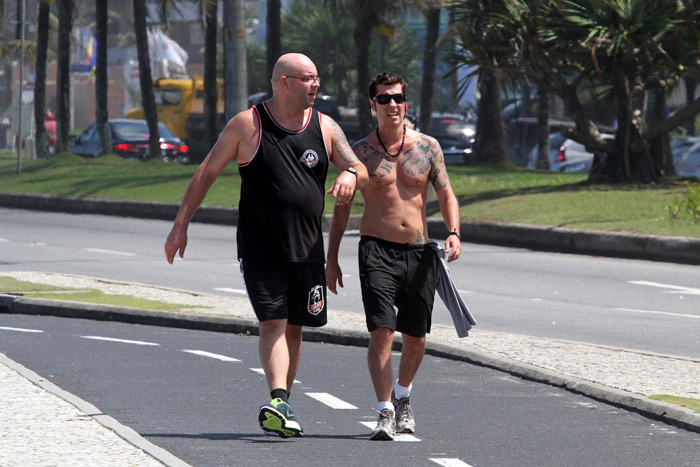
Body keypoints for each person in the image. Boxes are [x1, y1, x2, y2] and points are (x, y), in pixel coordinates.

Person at [164, 53, 368, 439]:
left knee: (295, 327)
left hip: (307, 247)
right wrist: (180, 226)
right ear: (283, 82)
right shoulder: (248, 124)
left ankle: (283, 404)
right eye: (308, 78)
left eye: (317, 78)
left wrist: (351, 175)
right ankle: (276, 399)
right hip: (260, 247)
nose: (316, 85)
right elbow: (206, 172)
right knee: (273, 322)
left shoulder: (325, 126)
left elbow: (362, 168)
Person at [326, 72, 461, 441]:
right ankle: (385, 409)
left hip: (419, 253)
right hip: (376, 250)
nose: (391, 105)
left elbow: (447, 194)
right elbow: (342, 209)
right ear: (372, 106)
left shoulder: (429, 148)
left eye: (397, 98)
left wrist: (453, 231)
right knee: (382, 330)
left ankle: (403, 395)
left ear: (406, 103)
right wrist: (332, 257)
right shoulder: (359, 155)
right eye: (383, 99)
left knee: (415, 337)